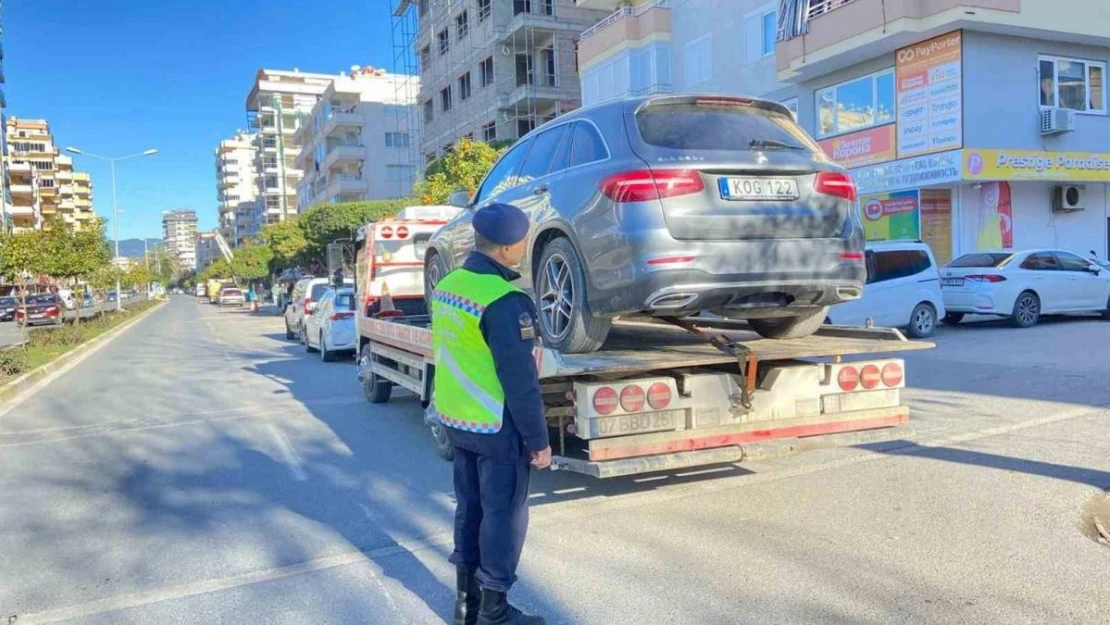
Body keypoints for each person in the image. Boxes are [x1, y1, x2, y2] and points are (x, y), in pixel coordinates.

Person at [431, 203, 551, 625]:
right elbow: (520, 381)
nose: (522, 247)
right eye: (520, 241)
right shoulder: (504, 300)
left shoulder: (448, 285)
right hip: (496, 427)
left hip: (457, 419)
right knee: (503, 517)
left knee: (470, 509)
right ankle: (495, 612)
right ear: (505, 249)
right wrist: (539, 442)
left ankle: (466, 606)